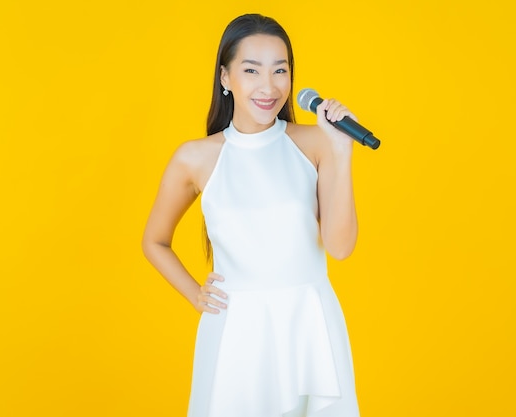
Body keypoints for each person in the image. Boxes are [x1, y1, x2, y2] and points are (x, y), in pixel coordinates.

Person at [142, 13, 361, 417]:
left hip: (308, 322)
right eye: (251, 70)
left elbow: (340, 247)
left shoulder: (315, 144)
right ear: (225, 77)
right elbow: (154, 241)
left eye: (281, 70)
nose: (269, 86)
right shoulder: (195, 158)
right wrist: (195, 294)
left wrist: (341, 152)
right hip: (236, 331)